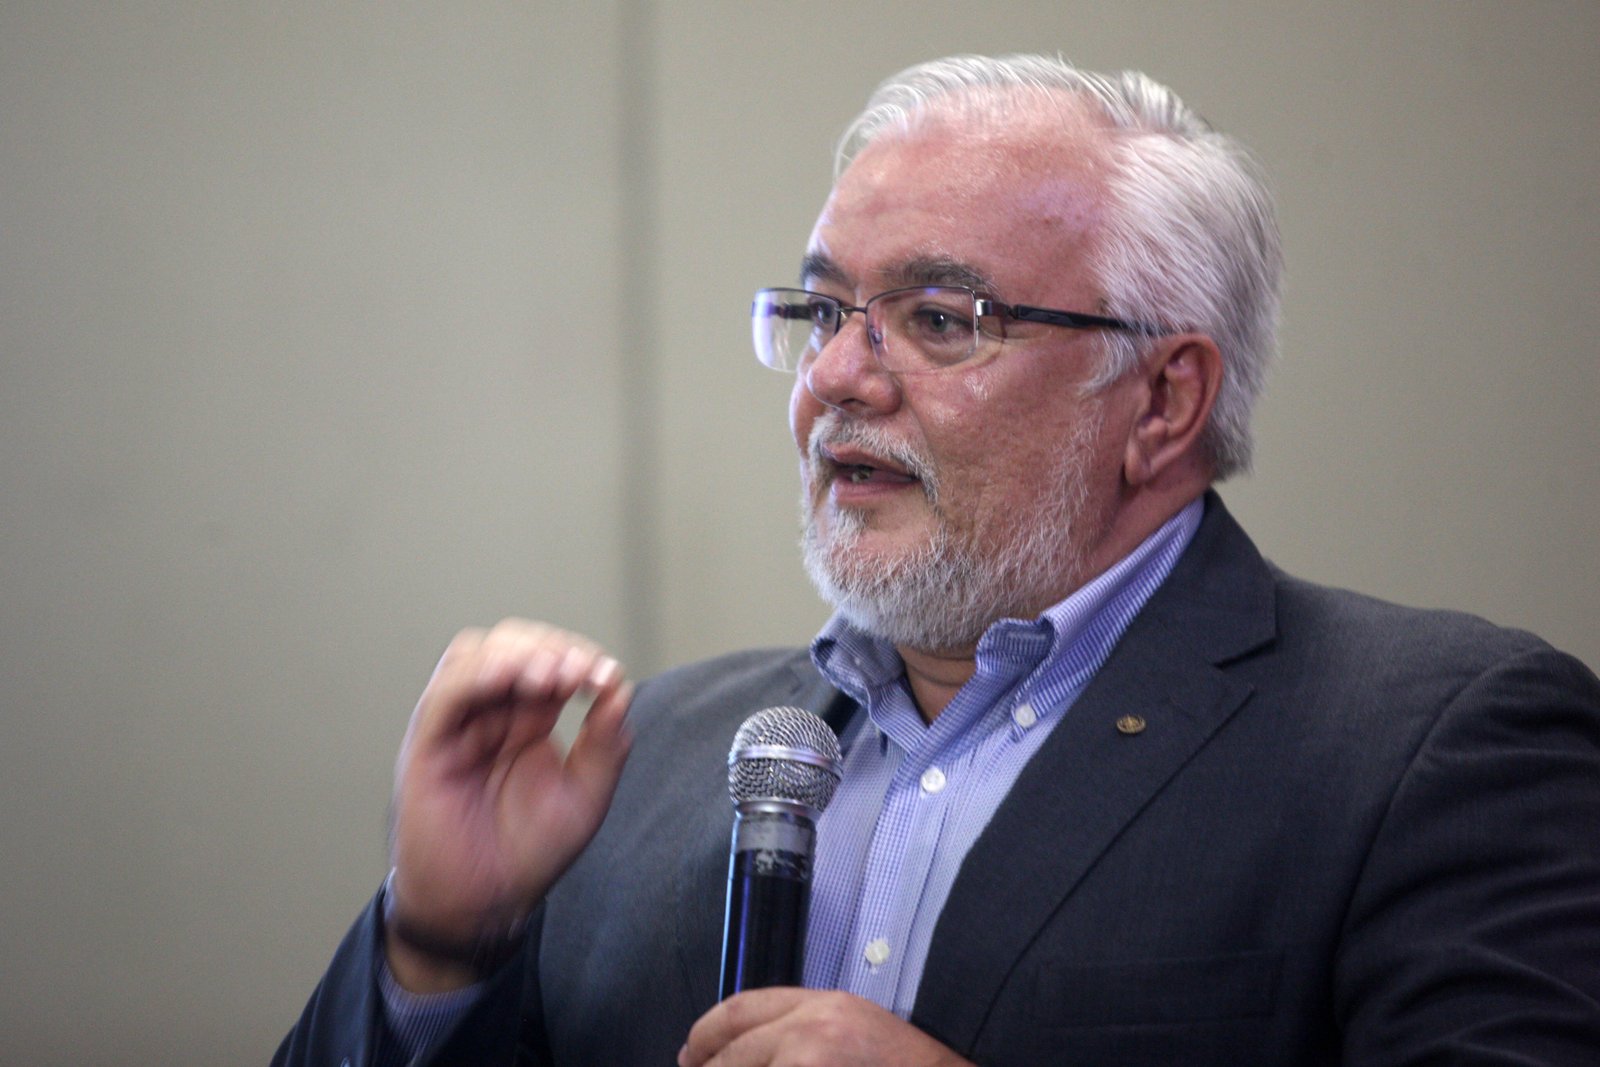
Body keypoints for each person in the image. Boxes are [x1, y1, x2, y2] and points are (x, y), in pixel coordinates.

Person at [274, 54, 1600, 1066]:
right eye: (823, 311)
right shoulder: (641, 760)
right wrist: (440, 946)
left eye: (938, 319)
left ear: (1162, 401)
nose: (837, 380)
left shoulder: (1433, 749)